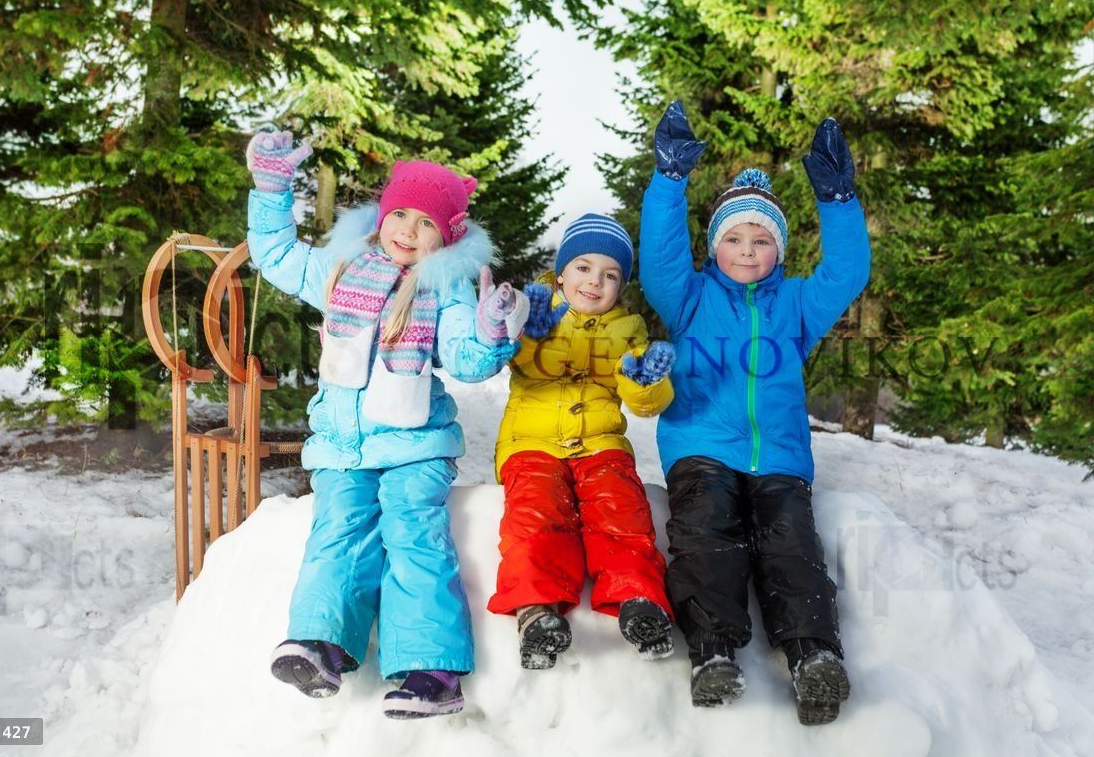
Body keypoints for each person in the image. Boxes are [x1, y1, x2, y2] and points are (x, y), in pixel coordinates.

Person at [245, 130, 525, 719]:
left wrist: (489, 329)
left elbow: (469, 361)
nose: (407, 229)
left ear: (444, 236)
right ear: (381, 215)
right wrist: (272, 191)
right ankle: (320, 644)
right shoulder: (342, 267)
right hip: (345, 445)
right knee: (338, 529)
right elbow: (276, 256)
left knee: (413, 535)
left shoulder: (445, 290)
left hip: (415, 448)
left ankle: (430, 669)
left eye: (425, 223)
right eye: (399, 213)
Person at [640, 101, 871, 725]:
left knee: (790, 544)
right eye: (734, 238)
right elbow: (659, 257)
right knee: (705, 533)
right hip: (701, 446)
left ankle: (813, 656)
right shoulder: (687, 299)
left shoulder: (797, 305)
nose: (747, 249)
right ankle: (713, 652)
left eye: (761, 239)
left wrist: (839, 198)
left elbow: (848, 271)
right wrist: (668, 180)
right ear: (715, 246)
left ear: (779, 248)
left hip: (780, 457)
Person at [486, 213, 678, 669]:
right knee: (535, 513)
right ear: (561, 273)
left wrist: (644, 380)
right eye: (584, 267)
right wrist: (520, 331)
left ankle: (637, 598)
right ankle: (536, 609)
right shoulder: (536, 312)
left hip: (599, 442)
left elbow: (646, 403)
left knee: (622, 506)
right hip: (532, 442)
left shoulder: (628, 329)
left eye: (610, 275)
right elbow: (504, 356)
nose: (596, 281)